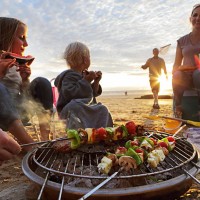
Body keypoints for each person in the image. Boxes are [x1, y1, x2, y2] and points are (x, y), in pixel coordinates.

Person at [0, 17, 53, 145]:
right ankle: (29, 145)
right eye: (21, 37)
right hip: (3, 115)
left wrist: (25, 80)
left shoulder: (17, 63)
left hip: (19, 111)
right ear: (6, 37)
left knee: (42, 82)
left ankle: (46, 140)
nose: (26, 44)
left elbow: (23, 98)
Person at [54, 41, 113, 129]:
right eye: (89, 56)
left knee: (102, 109)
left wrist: (96, 82)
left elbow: (91, 94)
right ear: (85, 60)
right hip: (69, 110)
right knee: (76, 105)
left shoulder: (83, 75)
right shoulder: (68, 76)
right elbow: (70, 94)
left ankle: (102, 132)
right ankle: (84, 133)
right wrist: (87, 80)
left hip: (84, 108)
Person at [172, 4, 200, 118]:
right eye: (195, 15)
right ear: (190, 19)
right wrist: (184, 68)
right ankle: (178, 106)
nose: (198, 18)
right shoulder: (181, 41)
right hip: (185, 78)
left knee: (198, 74)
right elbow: (175, 67)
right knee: (177, 74)